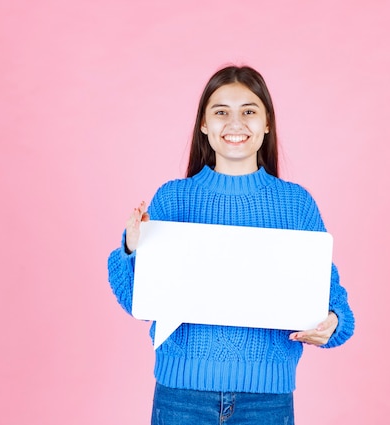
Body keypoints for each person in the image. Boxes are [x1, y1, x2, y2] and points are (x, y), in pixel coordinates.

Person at [107, 65, 355, 424]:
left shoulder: (296, 204)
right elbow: (137, 300)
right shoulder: (173, 199)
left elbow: (332, 299)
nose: (235, 123)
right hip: (182, 396)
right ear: (204, 125)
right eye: (221, 112)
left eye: (249, 112)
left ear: (267, 123)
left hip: (266, 401)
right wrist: (130, 249)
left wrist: (333, 322)